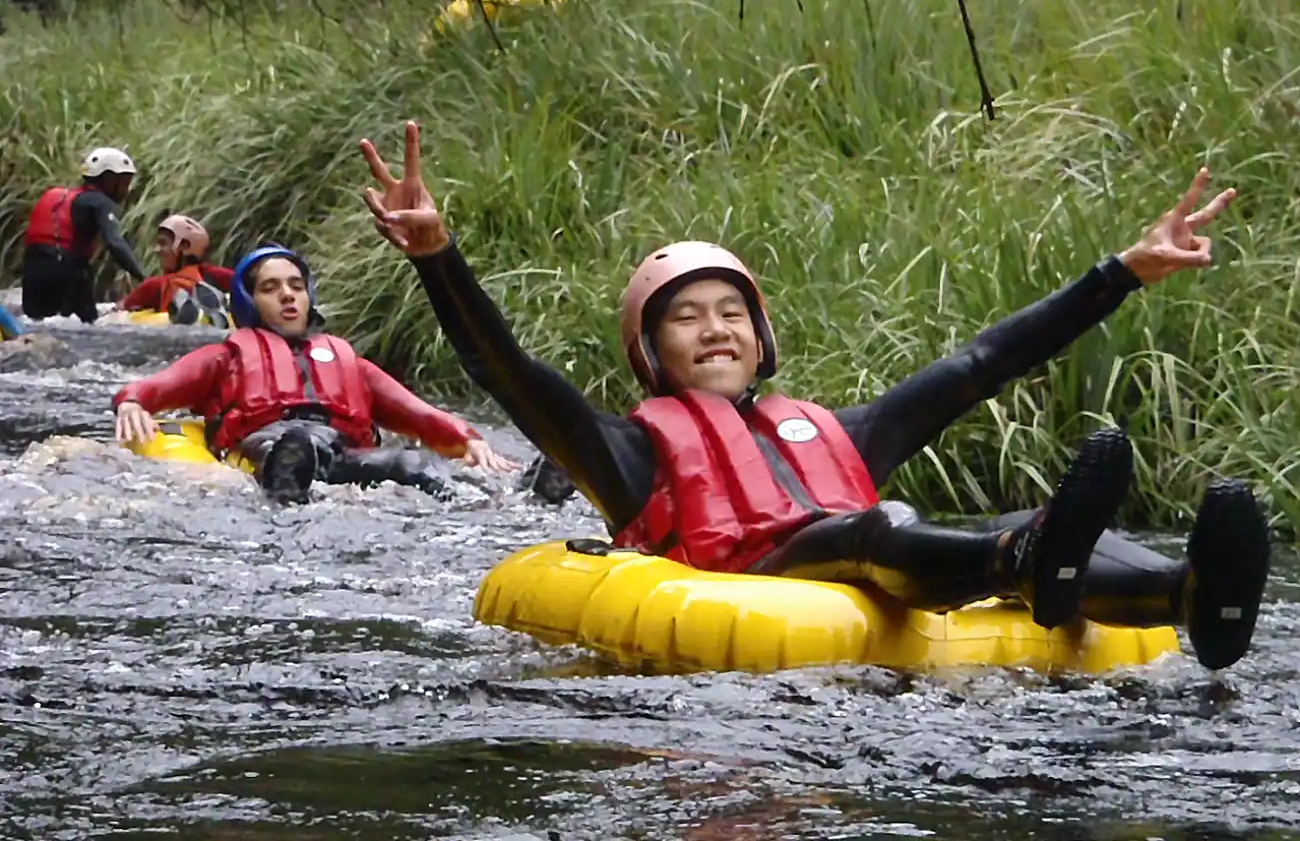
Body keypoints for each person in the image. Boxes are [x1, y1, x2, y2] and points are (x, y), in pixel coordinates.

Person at [356, 121, 1271, 671]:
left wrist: (1123, 272)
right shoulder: (624, 452)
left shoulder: (842, 432)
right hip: (754, 582)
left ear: (761, 341)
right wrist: (438, 256)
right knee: (865, 533)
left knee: (1044, 520)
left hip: (863, 563)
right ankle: (1017, 559)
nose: (715, 327)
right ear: (650, 351)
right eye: (686, 318)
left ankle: (1183, 595)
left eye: (732, 313)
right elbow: (504, 368)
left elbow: (986, 361)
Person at [112, 243, 518, 504]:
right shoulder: (225, 357)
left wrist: (468, 440)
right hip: (266, 445)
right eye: (271, 288)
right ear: (249, 303)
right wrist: (131, 401)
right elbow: (154, 388)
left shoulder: (349, 362)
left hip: (343, 453)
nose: (288, 294)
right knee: (293, 446)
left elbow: (419, 414)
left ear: (309, 296)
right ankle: (287, 488)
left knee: (410, 463)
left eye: (296, 286)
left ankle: (513, 496)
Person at [21, 147, 149, 324]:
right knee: (89, 328)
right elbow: (114, 243)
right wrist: (145, 278)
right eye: (124, 183)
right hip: (67, 273)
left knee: (36, 328)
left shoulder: (57, 195)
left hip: (32, 272)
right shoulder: (100, 202)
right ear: (109, 179)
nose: (126, 191)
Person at [116, 214, 235, 327]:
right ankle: (219, 307)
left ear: (184, 246)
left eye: (163, 243)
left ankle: (185, 307)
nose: (157, 250)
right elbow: (244, 283)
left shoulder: (154, 285)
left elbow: (118, 314)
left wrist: (122, 308)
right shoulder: (216, 274)